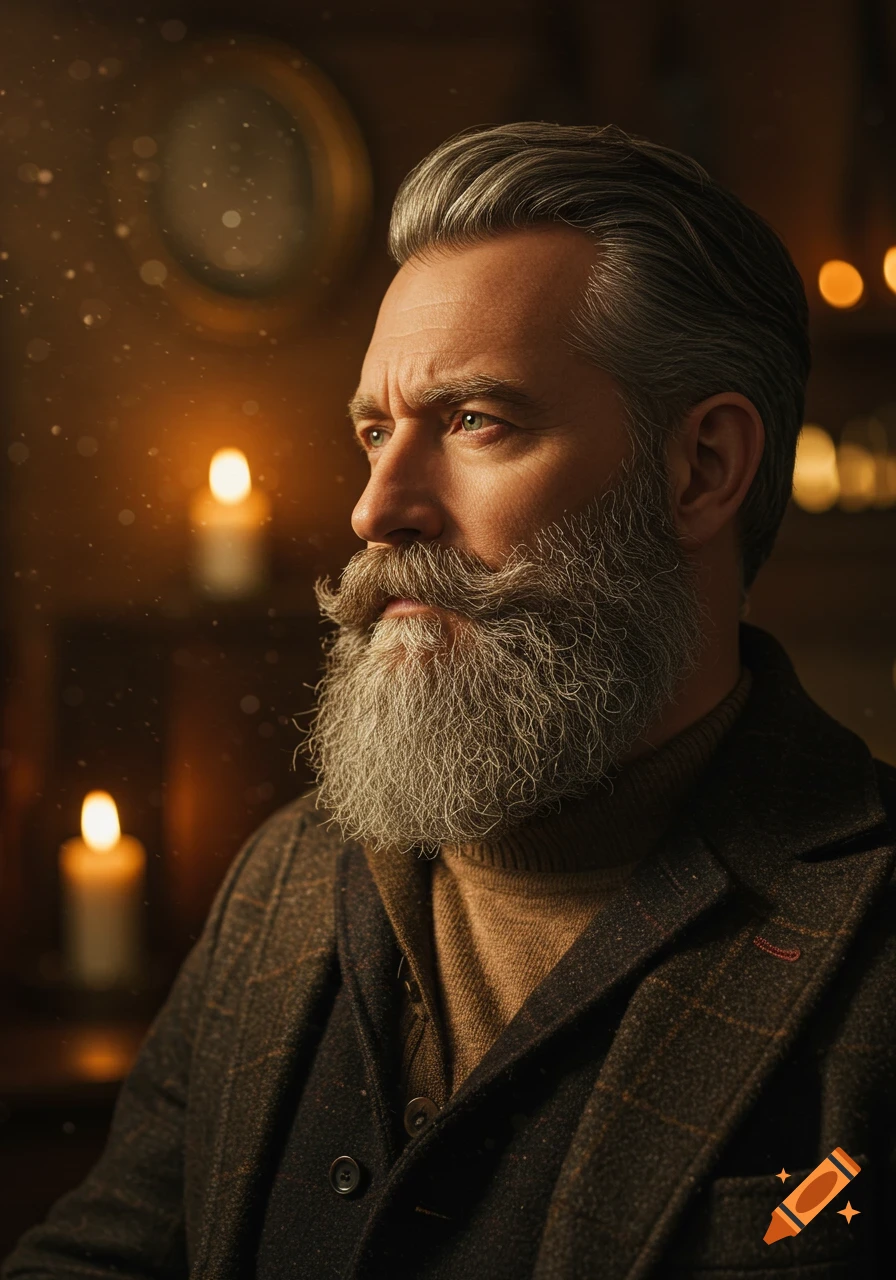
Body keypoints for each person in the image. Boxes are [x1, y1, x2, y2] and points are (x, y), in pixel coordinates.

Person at [3, 121, 894, 1280]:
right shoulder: (281, 877)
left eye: (475, 420)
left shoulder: (869, 933)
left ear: (702, 469)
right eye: (374, 433)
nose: (378, 507)